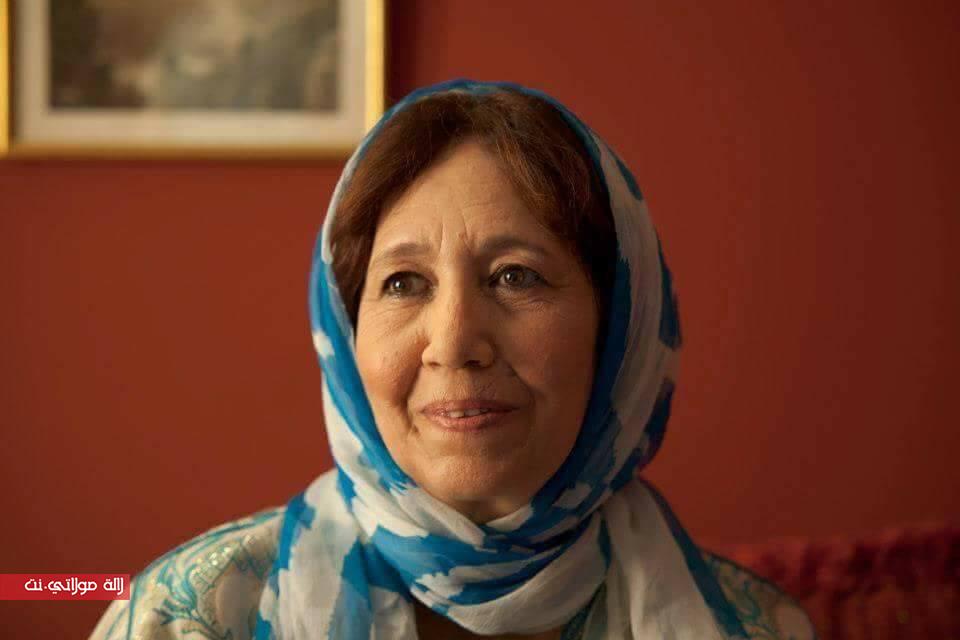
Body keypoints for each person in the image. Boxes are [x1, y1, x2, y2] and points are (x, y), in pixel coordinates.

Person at [90, 79, 815, 639]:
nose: (455, 343)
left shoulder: (759, 628)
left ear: (620, 327)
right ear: (345, 334)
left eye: (515, 276)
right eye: (404, 284)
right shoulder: (189, 617)